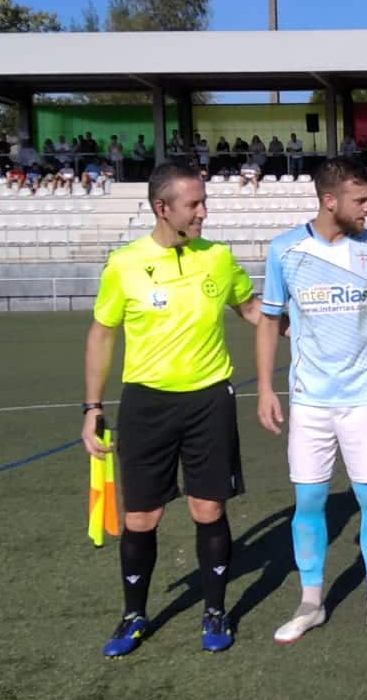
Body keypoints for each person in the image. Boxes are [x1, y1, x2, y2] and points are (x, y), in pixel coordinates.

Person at [82, 163, 261, 658]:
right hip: (147, 403)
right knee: (142, 517)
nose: (203, 212)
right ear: (162, 208)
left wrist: (304, 324)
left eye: (204, 202)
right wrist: (92, 406)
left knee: (209, 509)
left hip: (210, 400)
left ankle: (215, 609)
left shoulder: (219, 257)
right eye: (193, 204)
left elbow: (251, 308)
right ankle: (134, 615)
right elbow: (102, 334)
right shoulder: (124, 264)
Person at [255, 159, 367, 644]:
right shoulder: (285, 250)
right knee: (308, 501)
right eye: (360, 200)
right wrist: (265, 388)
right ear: (330, 201)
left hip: (366, 397)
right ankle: (311, 602)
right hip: (309, 400)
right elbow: (269, 321)